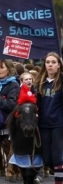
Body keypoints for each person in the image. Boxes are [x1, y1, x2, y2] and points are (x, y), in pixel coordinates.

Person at [34, 52, 63, 184]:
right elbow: (36, 103)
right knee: (48, 159)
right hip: (43, 124)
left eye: (53, 62)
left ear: (59, 65)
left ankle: (59, 181)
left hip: (58, 124)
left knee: (57, 157)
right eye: (48, 62)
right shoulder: (40, 82)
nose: (50, 65)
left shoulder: (61, 81)